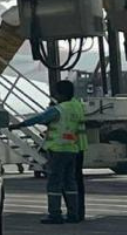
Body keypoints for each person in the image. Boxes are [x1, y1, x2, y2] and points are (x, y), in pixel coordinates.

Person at [10, 80, 87, 224]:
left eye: (56, 93)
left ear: (61, 94)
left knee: (54, 183)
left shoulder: (59, 109)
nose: (55, 96)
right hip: (73, 149)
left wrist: (19, 125)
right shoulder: (77, 106)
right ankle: (73, 214)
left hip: (58, 150)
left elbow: (40, 118)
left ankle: (55, 214)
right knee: (70, 183)